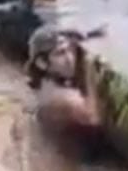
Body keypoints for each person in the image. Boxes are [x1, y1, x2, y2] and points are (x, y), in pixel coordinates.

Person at [25, 24, 105, 160]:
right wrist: (88, 69)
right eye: (60, 53)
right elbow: (93, 118)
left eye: (70, 50)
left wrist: (88, 35)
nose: (70, 59)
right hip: (77, 162)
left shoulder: (44, 82)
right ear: (41, 63)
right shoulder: (63, 98)